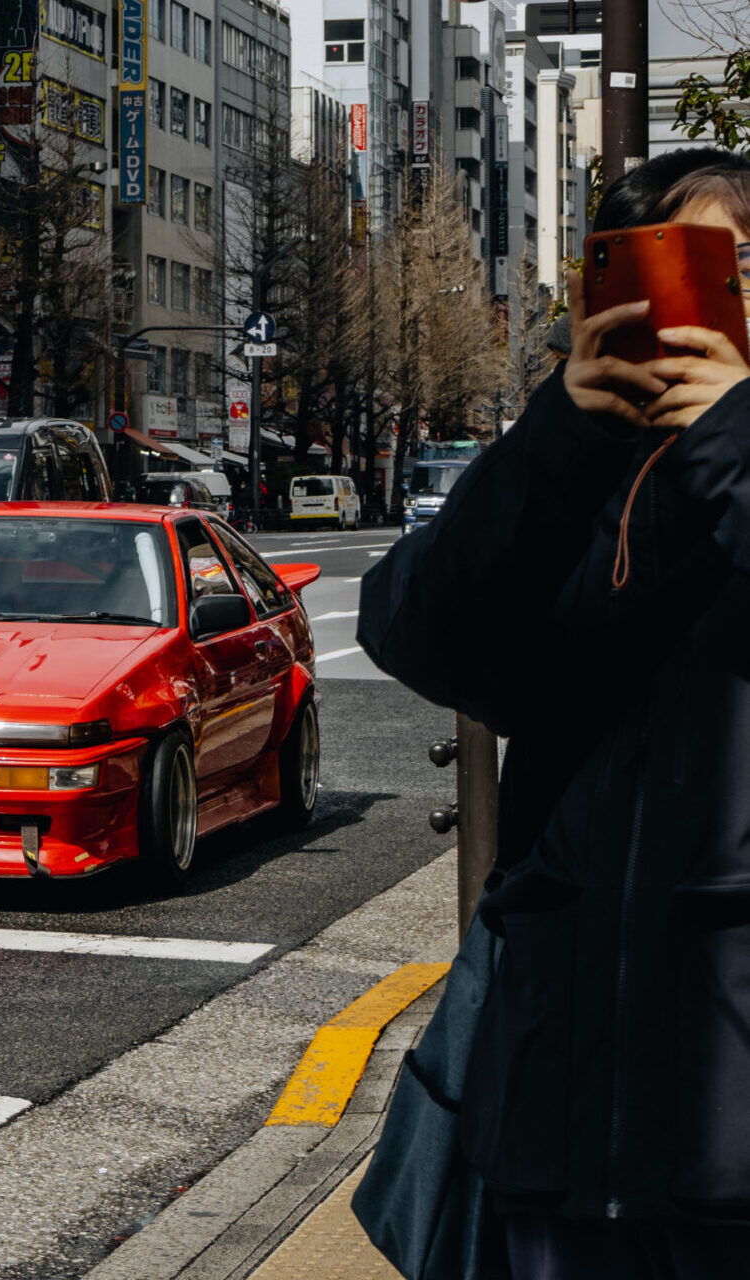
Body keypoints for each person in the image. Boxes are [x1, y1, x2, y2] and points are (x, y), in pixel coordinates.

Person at [357, 148, 750, 1278]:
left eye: (731, 265)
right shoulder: (578, 474)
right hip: (559, 1112)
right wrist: (563, 429)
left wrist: (730, 433)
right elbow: (417, 627)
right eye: (661, 268)